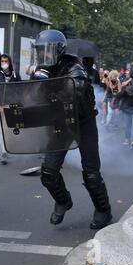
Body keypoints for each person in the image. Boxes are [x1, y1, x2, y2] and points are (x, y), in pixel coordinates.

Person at [32, 30, 112, 230]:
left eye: (49, 50)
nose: (45, 55)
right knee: (48, 172)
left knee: (91, 173)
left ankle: (104, 210)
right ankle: (63, 201)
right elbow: (36, 97)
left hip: (83, 124)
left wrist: (49, 86)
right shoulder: (43, 69)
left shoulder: (75, 67)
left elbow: (74, 90)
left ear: (59, 50)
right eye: (41, 51)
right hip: (60, 123)